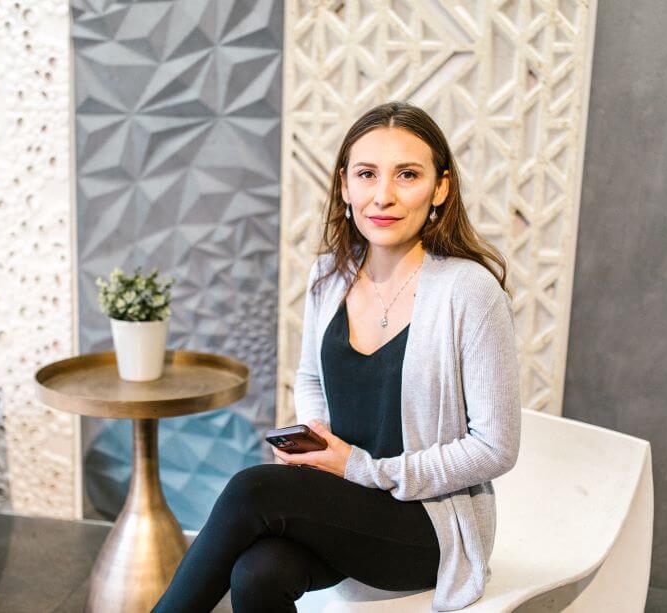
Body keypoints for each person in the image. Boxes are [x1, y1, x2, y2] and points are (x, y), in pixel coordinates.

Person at [151, 100, 522, 613]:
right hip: (344, 501)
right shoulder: (330, 275)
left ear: (440, 188)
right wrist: (317, 439)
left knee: (251, 489)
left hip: (427, 525)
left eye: (408, 175)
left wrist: (364, 469)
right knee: (256, 573)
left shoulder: (470, 292)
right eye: (367, 174)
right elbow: (309, 377)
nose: (383, 195)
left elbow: (496, 448)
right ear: (345, 185)